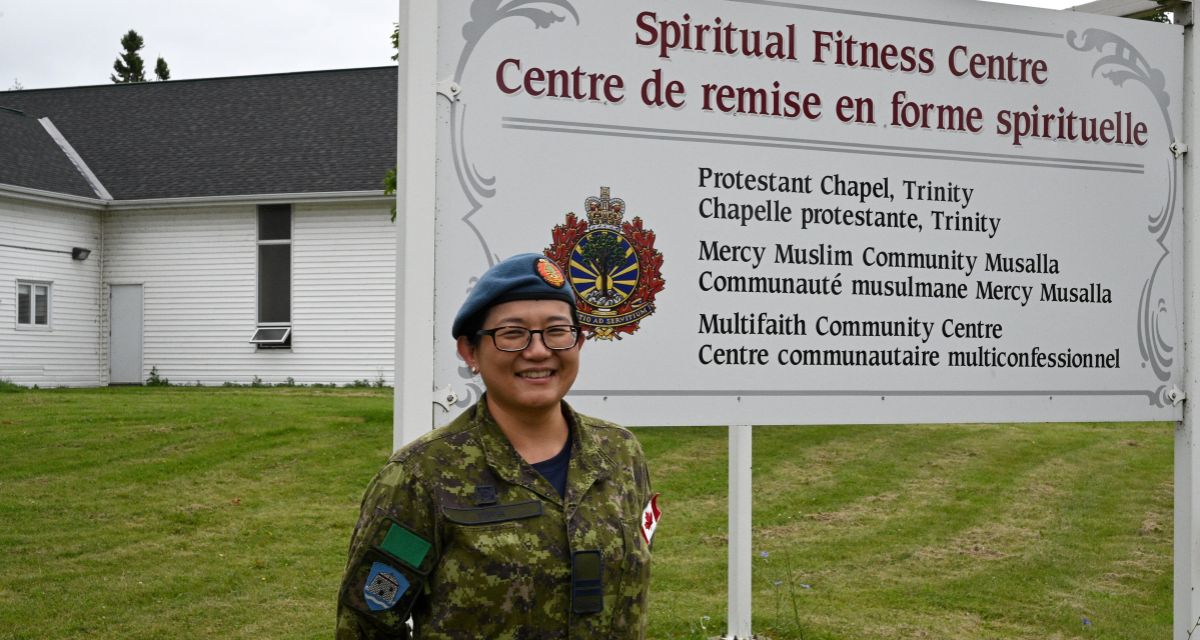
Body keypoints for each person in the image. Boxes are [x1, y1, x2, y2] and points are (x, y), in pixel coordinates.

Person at [336, 253, 657, 639]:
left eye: (556, 331)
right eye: (512, 334)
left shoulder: (620, 454)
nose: (538, 351)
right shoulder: (421, 477)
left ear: (579, 341)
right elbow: (369, 621)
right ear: (470, 352)